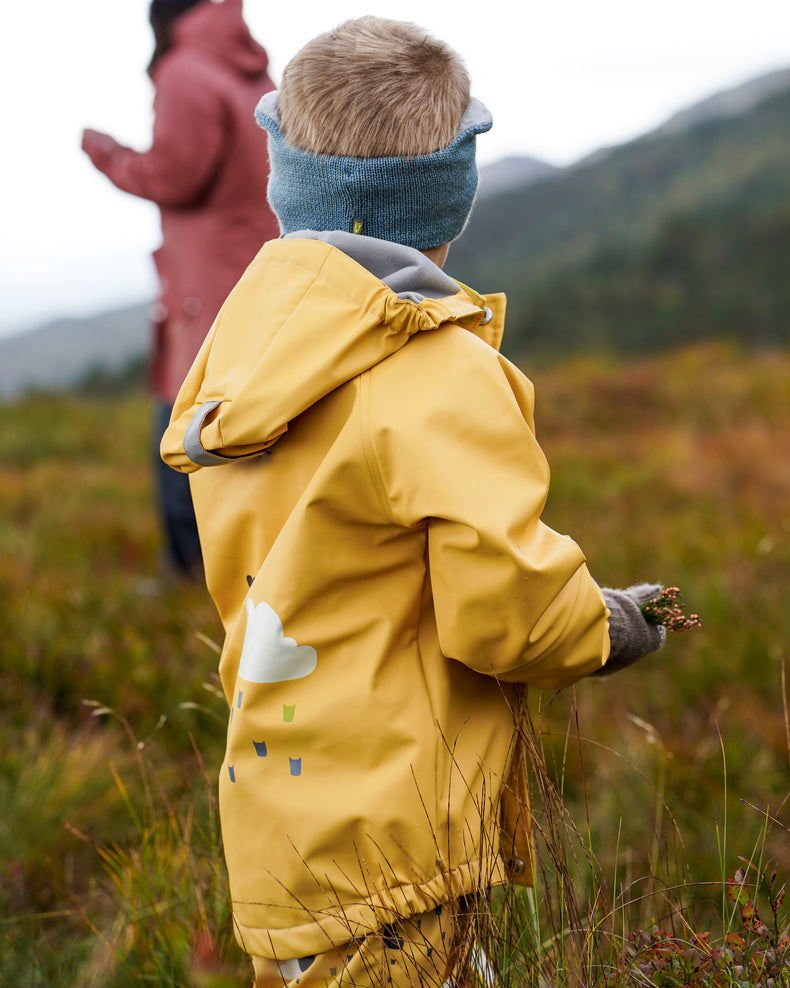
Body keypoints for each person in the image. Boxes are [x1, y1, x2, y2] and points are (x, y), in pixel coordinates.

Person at [161, 16, 667, 986]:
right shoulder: (441, 375)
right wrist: (608, 625)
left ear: (282, 180)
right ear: (452, 193)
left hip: (278, 814)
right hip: (401, 838)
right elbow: (508, 616)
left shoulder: (243, 348)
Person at [82, 0, 279, 580]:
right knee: (250, 426)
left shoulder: (185, 72)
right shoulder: (252, 71)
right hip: (256, 271)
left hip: (207, 284)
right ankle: (252, 568)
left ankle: (194, 574)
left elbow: (176, 176)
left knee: (180, 427)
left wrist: (108, 155)